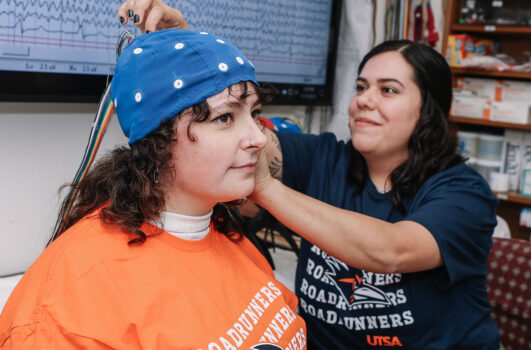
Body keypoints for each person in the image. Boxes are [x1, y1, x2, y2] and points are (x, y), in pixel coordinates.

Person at [118, 3, 501, 349]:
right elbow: (242, 138)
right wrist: (187, 59)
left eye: (388, 90)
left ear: (429, 111)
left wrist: (265, 187)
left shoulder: (464, 193)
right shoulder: (326, 157)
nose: (365, 100)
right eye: (362, 87)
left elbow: (391, 251)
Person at [0, 29, 307, 349]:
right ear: (159, 142)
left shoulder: (223, 231)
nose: (258, 138)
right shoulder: (67, 308)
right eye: (225, 117)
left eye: (254, 113)